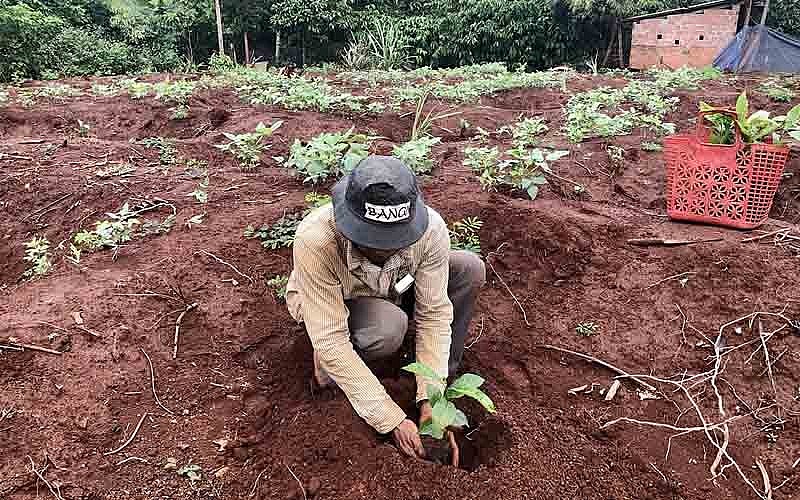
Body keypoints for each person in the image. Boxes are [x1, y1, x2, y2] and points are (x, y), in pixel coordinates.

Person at [285, 155, 485, 460]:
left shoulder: (430, 231)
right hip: (336, 301)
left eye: (393, 240)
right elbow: (331, 339)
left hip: (393, 286)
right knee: (387, 327)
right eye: (372, 239)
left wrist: (431, 400)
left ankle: (435, 375)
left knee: (468, 269)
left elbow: (433, 314)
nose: (383, 247)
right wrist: (391, 419)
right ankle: (333, 376)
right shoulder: (316, 240)